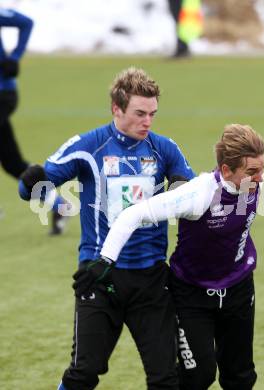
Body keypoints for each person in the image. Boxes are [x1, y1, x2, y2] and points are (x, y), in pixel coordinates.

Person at [18, 67, 195, 389]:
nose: (148, 122)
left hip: (151, 279)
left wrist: (180, 187)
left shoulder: (163, 148)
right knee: (83, 374)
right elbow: (34, 186)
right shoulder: (90, 146)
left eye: (153, 114)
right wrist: (32, 182)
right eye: (140, 113)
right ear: (117, 108)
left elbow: (190, 188)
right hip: (100, 276)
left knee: (165, 378)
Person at [100, 124, 264, 390]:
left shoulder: (254, 184)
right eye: (252, 172)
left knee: (241, 376)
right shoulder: (198, 194)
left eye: (262, 168)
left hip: (238, 289)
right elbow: (133, 214)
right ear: (226, 170)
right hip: (192, 295)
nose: (260, 178)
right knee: (198, 375)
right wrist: (104, 260)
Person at [1, 7, 67, 234]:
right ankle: (58, 205)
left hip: (2, 93)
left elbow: (26, 22)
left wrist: (15, 56)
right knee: (12, 163)